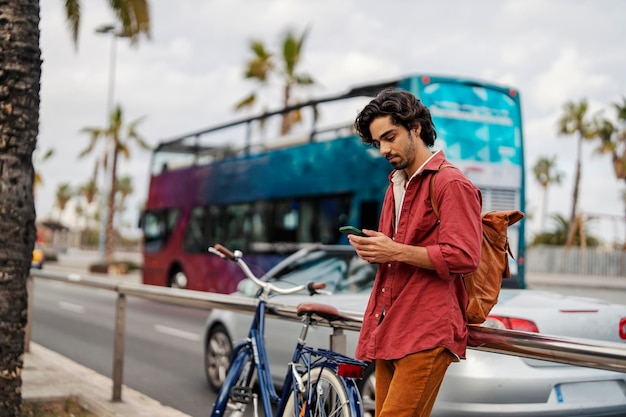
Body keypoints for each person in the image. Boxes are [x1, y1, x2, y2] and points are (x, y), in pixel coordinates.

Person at [347, 88, 483, 417]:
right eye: (378, 142)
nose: (384, 149)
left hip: (426, 327)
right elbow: (397, 254)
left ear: (416, 128)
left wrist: (393, 250)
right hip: (390, 324)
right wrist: (378, 251)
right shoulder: (395, 185)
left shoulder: (451, 183)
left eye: (390, 137)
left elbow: (464, 255)